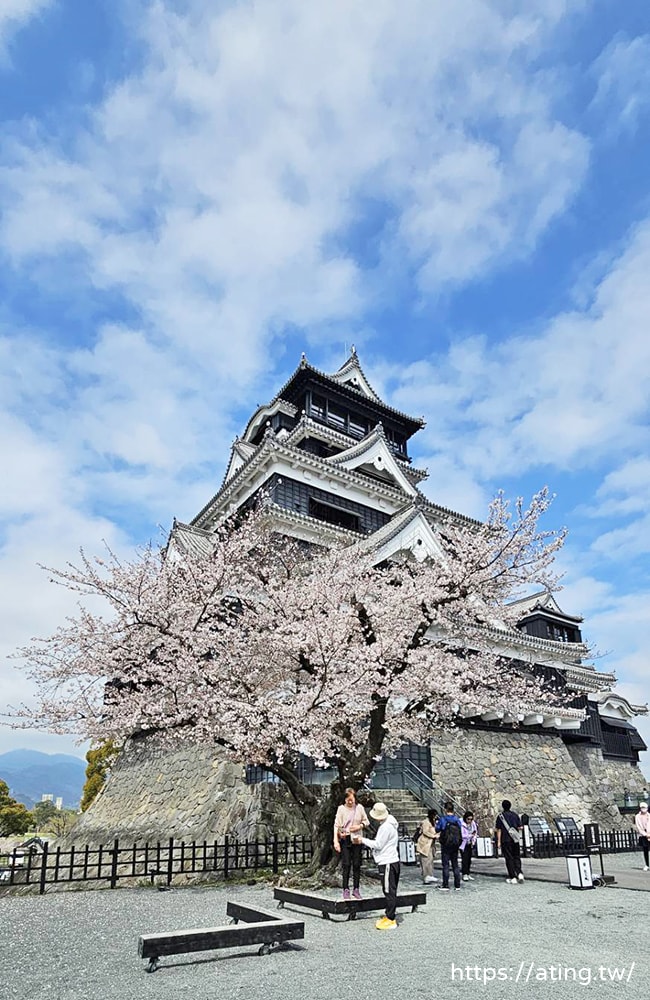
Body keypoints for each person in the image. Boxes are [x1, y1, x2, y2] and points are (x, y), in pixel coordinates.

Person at [359, 802, 400, 930]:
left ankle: (391, 918)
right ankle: (389, 914)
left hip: (387, 861)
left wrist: (362, 840)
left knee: (388, 890)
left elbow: (378, 844)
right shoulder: (390, 823)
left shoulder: (385, 827)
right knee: (390, 889)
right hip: (392, 860)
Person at [333, 787, 370, 899]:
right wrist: (336, 840)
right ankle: (345, 889)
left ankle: (356, 889)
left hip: (357, 838)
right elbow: (337, 825)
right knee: (346, 864)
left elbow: (366, 821)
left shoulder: (359, 808)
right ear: (344, 799)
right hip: (346, 838)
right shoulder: (341, 809)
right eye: (348, 800)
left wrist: (359, 826)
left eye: (352, 799)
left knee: (357, 864)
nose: (350, 802)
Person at [435, 802, 463, 891]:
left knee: (446, 865)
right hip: (455, 844)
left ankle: (445, 884)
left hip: (446, 844)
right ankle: (457, 885)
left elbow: (438, 829)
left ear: (445, 809)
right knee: (455, 864)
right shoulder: (457, 819)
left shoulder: (443, 819)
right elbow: (460, 829)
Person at [495, 799, 524, 883]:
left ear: (503, 806)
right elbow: (520, 827)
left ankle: (513, 877)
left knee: (509, 858)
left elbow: (499, 830)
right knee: (516, 856)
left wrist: (499, 842)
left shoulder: (500, 816)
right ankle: (519, 873)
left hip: (505, 839)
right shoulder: (515, 815)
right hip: (515, 839)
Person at [415, 808, 439, 884]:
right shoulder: (425, 822)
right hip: (425, 843)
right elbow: (425, 832)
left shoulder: (433, 822)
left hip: (430, 843)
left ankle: (430, 875)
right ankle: (426, 876)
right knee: (425, 860)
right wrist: (433, 836)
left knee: (430, 860)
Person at [461, 810, 478, 881]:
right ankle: (464, 873)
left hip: (470, 843)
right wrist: (470, 835)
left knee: (469, 859)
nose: (469, 821)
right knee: (465, 859)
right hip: (464, 843)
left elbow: (475, 832)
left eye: (471, 819)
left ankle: (468, 873)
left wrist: (474, 839)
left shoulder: (473, 824)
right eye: (468, 819)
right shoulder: (462, 824)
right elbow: (463, 835)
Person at [634, 801, 650, 871]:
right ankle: (647, 864)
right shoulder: (637, 816)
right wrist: (645, 834)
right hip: (643, 835)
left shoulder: (649, 815)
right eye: (642, 807)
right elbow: (638, 827)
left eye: (644, 807)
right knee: (645, 850)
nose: (643, 809)